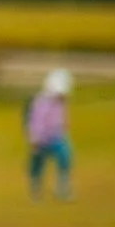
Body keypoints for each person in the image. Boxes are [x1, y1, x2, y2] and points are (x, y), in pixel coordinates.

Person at [26, 68, 74, 200]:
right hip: (40, 139)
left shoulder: (62, 102)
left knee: (65, 157)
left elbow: (62, 118)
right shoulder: (41, 102)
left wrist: (64, 128)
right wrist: (34, 140)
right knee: (37, 164)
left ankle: (62, 188)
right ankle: (35, 191)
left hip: (56, 137)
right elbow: (35, 122)